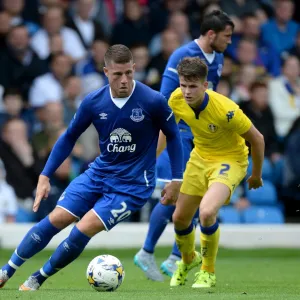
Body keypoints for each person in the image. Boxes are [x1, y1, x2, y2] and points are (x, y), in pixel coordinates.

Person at [0, 44, 184, 291]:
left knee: (83, 227)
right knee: (57, 218)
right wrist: (45, 175)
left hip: (133, 185)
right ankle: (6, 271)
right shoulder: (93, 102)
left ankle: (36, 279)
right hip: (99, 173)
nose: (124, 80)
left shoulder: (153, 101)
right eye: (117, 74)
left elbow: (173, 136)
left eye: (129, 73)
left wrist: (176, 180)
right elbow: (68, 137)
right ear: (106, 72)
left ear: (134, 69)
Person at [134, 10, 234, 281]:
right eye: (227, 36)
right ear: (211, 34)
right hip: (177, 135)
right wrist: (156, 147)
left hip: (201, 137)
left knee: (196, 196)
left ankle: (176, 257)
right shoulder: (182, 55)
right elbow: (166, 101)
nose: (230, 41)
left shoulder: (220, 57)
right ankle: (149, 251)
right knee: (175, 192)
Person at [166, 57, 264, 288]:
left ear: (205, 86)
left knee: (207, 212)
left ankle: (207, 272)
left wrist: (256, 174)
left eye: (193, 86)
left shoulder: (227, 110)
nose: (187, 92)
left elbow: (257, 139)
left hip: (230, 160)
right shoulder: (176, 100)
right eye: (183, 85)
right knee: (179, 219)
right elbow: (167, 133)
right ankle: (188, 260)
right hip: (199, 158)